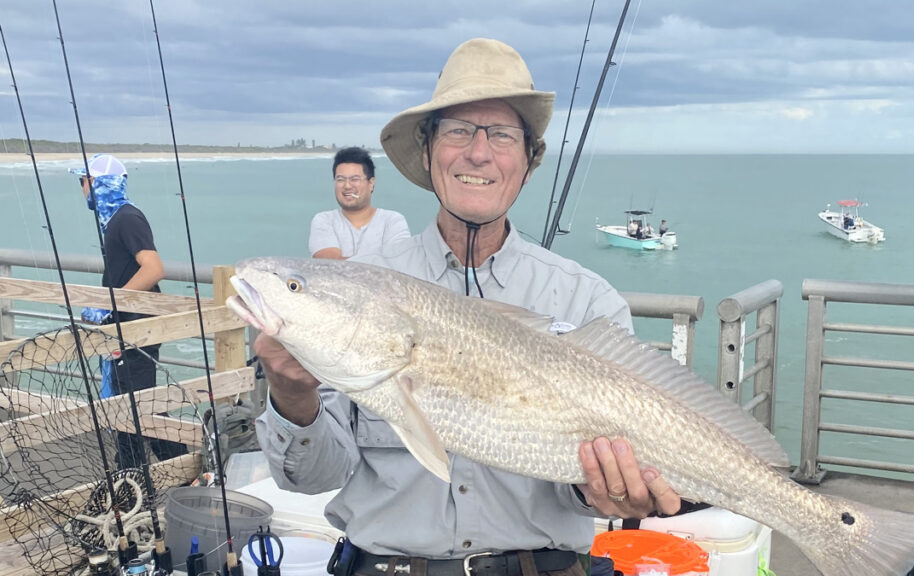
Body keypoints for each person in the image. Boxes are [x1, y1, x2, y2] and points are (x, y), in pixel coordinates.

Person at [254, 38, 686, 576]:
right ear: (429, 150)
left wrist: (610, 492)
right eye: (457, 130)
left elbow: (597, 490)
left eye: (502, 134)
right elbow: (312, 477)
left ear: (528, 161)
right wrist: (292, 395)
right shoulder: (360, 290)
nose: (478, 152)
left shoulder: (587, 301)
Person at [72, 153, 187, 469]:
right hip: (124, 328)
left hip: (138, 330)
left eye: (84, 181)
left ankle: (168, 471)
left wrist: (107, 303)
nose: (81, 188)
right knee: (136, 405)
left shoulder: (127, 218)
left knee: (137, 407)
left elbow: (153, 269)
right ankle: (168, 471)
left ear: (99, 184)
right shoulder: (115, 221)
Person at [308, 147, 410, 259]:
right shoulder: (324, 220)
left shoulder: (392, 221)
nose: (347, 186)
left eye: (355, 179)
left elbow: (399, 262)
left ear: (371, 183)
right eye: (340, 179)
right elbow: (331, 264)